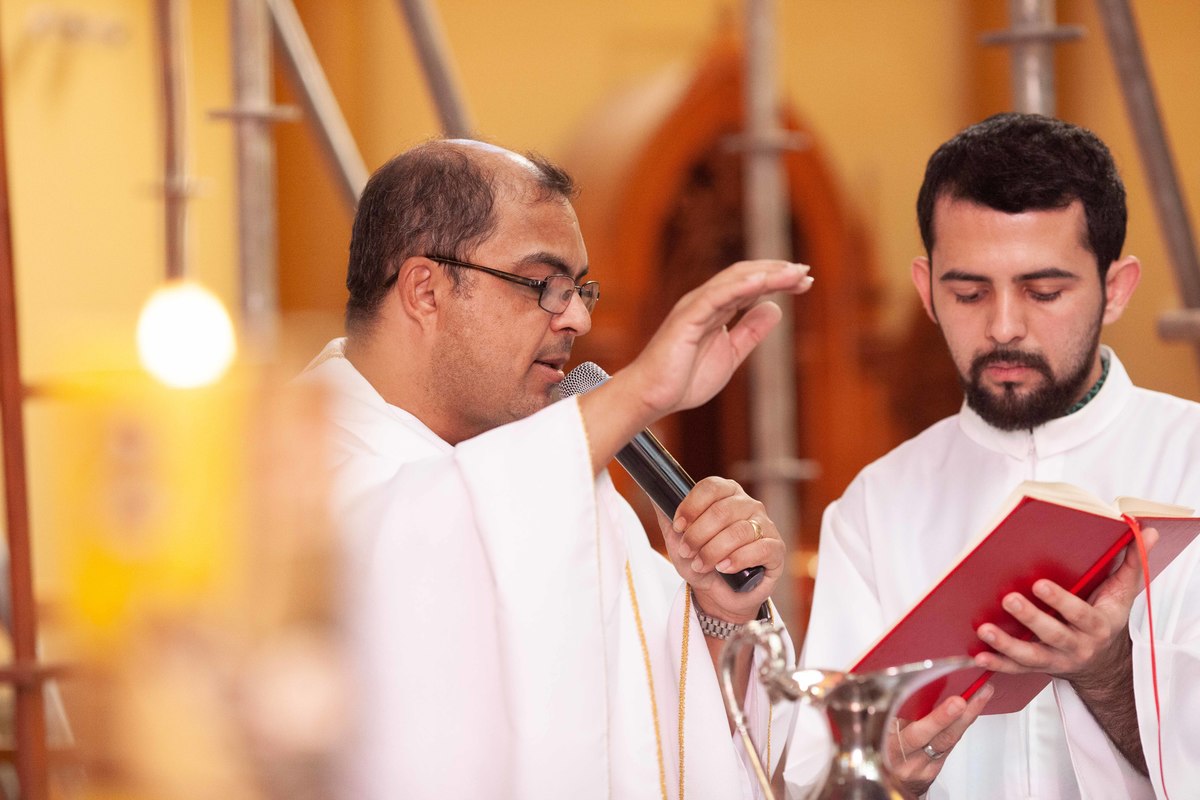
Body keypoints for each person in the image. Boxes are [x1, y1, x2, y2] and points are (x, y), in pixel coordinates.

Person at [299, 138, 814, 799]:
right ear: (425, 290)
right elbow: (413, 548)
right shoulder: (299, 469)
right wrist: (639, 393)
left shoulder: (565, 480)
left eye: (581, 289)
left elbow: (668, 742)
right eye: (545, 286)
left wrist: (718, 613)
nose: (578, 317)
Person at [796, 113, 1200, 799]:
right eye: (969, 292)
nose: (1004, 326)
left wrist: (1105, 671)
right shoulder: (876, 506)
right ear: (926, 290)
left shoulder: (1190, 460)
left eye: (1045, 292)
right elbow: (818, 774)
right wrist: (874, 776)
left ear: (1118, 287)